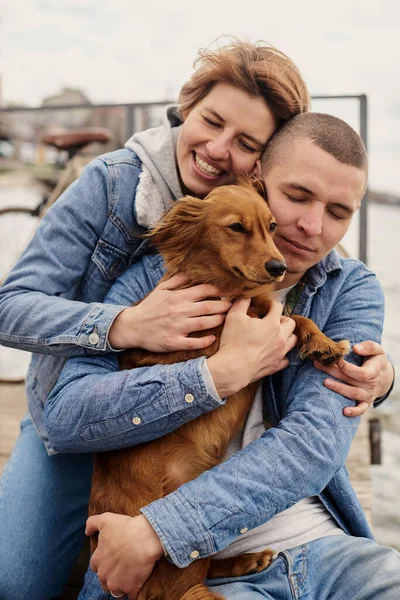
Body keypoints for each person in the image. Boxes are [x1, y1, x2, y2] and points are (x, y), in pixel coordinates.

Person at [0, 40, 393, 600]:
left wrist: (380, 377)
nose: (218, 149)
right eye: (211, 121)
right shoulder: (126, 205)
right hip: (76, 415)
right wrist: (127, 327)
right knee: (15, 580)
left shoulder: (333, 277)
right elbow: (27, 338)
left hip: (283, 534)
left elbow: (314, 435)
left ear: (259, 165)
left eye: (247, 143)